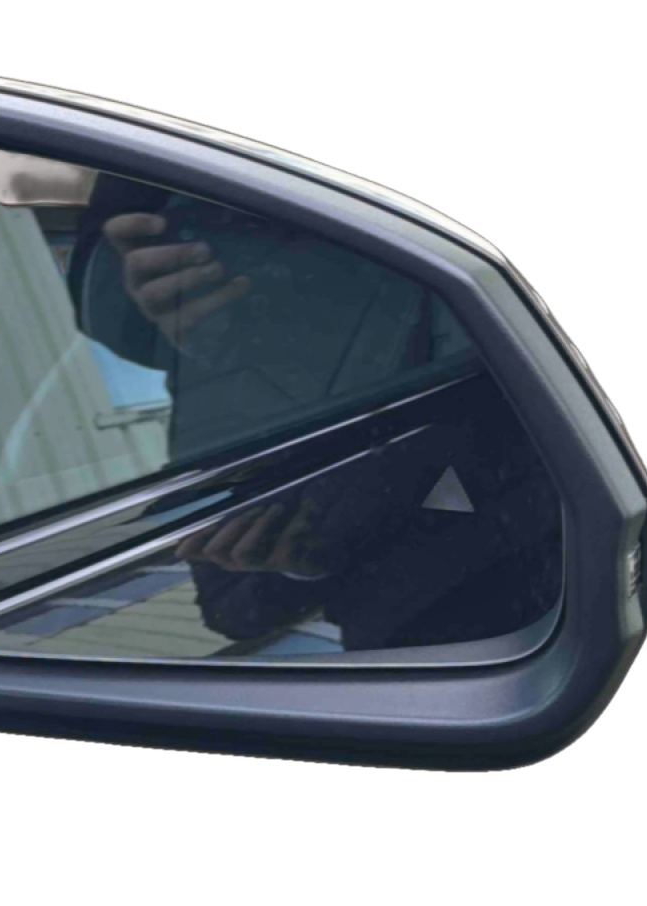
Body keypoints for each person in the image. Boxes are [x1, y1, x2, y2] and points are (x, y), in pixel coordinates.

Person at [69, 173, 562, 653]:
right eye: (235, 239)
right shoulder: (244, 435)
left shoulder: (474, 365)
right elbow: (231, 612)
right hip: (417, 631)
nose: (268, 267)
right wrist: (305, 564)